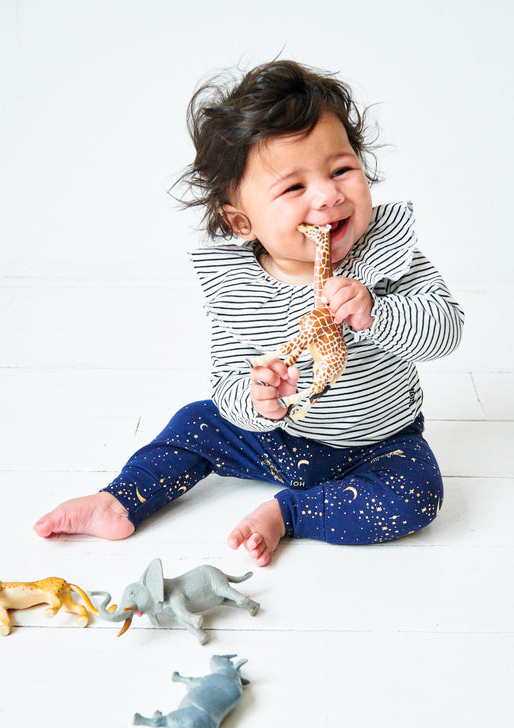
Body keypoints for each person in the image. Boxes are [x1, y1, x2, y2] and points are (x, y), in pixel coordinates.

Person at [34, 59, 464, 566]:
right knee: (196, 422)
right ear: (242, 222)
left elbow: (447, 329)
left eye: (341, 170)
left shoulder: (386, 253)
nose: (328, 195)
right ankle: (120, 500)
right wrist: (260, 401)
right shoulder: (238, 288)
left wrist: (378, 313)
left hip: (380, 443)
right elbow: (228, 384)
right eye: (294, 188)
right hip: (277, 438)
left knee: (417, 497)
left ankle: (291, 513)